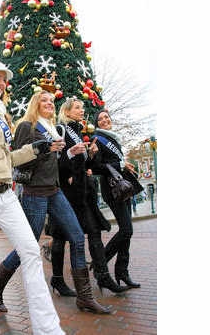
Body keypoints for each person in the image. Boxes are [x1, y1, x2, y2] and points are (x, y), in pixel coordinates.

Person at [0, 60, 65, 335]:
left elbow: (7, 158)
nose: (1, 83)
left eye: (4, 79)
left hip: (7, 194)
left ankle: (48, 329)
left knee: (30, 252)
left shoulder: (2, 111)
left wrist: (35, 149)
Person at [0, 90, 111, 314]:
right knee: (29, 246)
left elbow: (57, 163)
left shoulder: (53, 129)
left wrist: (70, 153)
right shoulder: (27, 126)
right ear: (35, 104)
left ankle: (84, 297)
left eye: (52, 101)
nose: (49, 103)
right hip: (35, 192)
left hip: (54, 190)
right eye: (44, 100)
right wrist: (45, 149)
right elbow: (20, 163)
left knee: (76, 237)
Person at [47, 98, 128, 296]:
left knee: (94, 232)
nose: (82, 111)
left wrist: (90, 156)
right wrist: (69, 174)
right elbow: (55, 159)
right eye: (77, 108)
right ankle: (57, 279)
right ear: (67, 111)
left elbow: (84, 164)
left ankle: (103, 276)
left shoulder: (80, 132)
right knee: (60, 237)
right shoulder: (61, 129)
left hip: (84, 193)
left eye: (82, 108)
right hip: (67, 192)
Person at [91, 109, 143, 288]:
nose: (105, 120)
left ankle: (122, 272)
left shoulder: (113, 137)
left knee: (127, 232)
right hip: (113, 190)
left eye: (107, 117)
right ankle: (100, 264)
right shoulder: (97, 138)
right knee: (126, 230)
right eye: (101, 119)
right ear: (96, 123)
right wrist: (119, 164)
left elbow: (113, 163)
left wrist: (124, 166)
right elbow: (96, 166)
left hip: (123, 187)